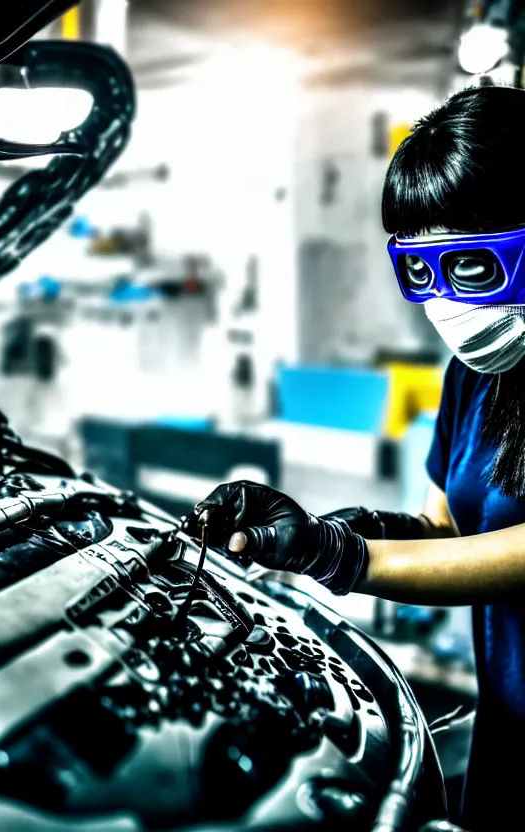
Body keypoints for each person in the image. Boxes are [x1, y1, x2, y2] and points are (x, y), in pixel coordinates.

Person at [192, 84, 525, 832]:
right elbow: (449, 534)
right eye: (422, 270)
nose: (447, 303)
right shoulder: (477, 375)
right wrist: (340, 529)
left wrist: (344, 558)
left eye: (473, 267)